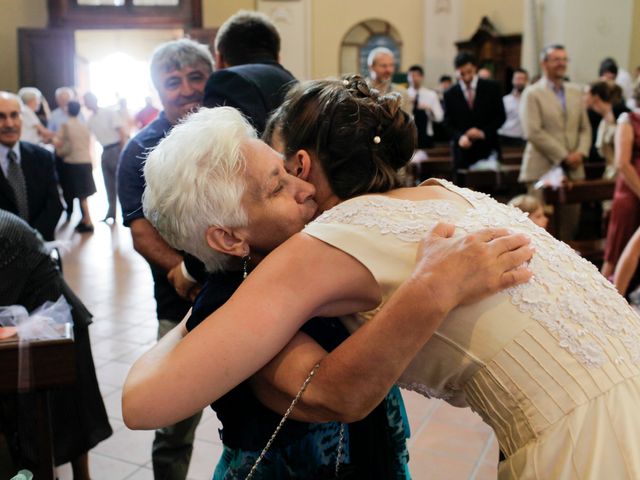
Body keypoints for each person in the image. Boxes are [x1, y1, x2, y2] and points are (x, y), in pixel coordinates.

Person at [127, 77, 640, 478]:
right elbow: (144, 402)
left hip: (588, 432)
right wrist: (432, 288)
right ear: (229, 238)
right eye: (277, 185)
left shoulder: (328, 238)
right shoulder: (437, 195)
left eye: (290, 172)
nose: (301, 189)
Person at [116, 37, 213, 480]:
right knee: (174, 424)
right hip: (180, 305)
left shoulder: (229, 135)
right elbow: (140, 231)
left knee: (262, 418)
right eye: (174, 82)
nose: (187, 89)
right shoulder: (139, 149)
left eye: (196, 77)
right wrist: (179, 269)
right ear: (157, 89)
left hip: (250, 295)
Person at [0, 209, 112, 479]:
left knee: (65, 414)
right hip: (39, 314)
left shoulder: (4, 232)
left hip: (53, 317)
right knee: (56, 419)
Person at [519, 44, 591, 241]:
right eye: (556, 59)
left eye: (564, 59)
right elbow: (532, 131)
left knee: (570, 225)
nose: (561, 63)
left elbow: (585, 128)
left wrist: (581, 153)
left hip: (574, 169)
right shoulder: (532, 93)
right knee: (540, 228)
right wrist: (563, 155)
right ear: (544, 63)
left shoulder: (576, 91)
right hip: (542, 167)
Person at [203, 10, 296, 136]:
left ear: (219, 60)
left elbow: (219, 150)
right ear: (278, 57)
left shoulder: (225, 82)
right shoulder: (296, 85)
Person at [0, 91, 62, 241]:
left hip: (39, 252)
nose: (9, 124)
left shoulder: (42, 157)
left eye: (14, 115)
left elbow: (54, 204)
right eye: (0, 117)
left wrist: (32, 241)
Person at [444, 51, 506, 181]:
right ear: (456, 71)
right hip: (463, 151)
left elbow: (500, 116)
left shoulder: (492, 87)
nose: (466, 77)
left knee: (489, 195)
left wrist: (483, 132)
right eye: (462, 73)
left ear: (475, 68)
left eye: (469, 72)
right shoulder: (450, 93)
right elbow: (447, 123)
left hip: (488, 147)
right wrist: (460, 136)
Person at [601, 84, 640, 285]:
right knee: (617, 249)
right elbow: (622, 163)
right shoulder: (629, 120)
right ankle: (601, 299)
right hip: (630, 192)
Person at [54, 100, 96, 233]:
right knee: (83, 192)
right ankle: (85, 220)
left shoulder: (65, 125)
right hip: (86, 161)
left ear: (67, 110)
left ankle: (88, 221)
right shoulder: (84, 126)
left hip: (73, 162)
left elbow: (58, 141)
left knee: (80, 193)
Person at [83, 91, 126, 222]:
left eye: (86, 101)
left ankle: (128, 213)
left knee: (123, 184)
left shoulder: (109, 112)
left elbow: (121, 131)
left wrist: (123, 151)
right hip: (105, 151)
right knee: (108, 184)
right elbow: (87, 137)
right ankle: (111, 213)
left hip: (116, 148)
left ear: (93, 100)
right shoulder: (90, 119)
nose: (85, 104)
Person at [49, 87, 84, 219]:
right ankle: (69, 209)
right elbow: (50, 133)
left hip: (77, 155)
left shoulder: (79, 115)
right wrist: (56, 140)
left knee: (80, 186)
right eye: (61, 99)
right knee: (64, 183)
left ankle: (83, 215)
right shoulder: (54, 115)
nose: (64, 102)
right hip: (61, 155)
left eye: (66, 99)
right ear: (57, 100)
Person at [407, 64, 443, 149]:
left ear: (422, 77)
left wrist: (429, 109)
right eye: (411, 75)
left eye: (417, 75)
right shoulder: (405, 94)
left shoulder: (431, 95)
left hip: (426, 134)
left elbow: (440, 118)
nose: (414, 78)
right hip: (408, 134)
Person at [366, 47, 411, 113]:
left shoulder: (403, 93)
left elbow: (407, 121)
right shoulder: (359, 92)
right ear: (371, 67)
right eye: (383, 66)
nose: (388, 70)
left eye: (391, 65)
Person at [497, 68, 528, 147]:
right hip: (506, 137)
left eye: (522, 79)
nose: (519, 82)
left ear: (526, 81)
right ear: (512, 80)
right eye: (517, 79)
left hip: (523, 138)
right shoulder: (505, 100)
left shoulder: (530, 100)